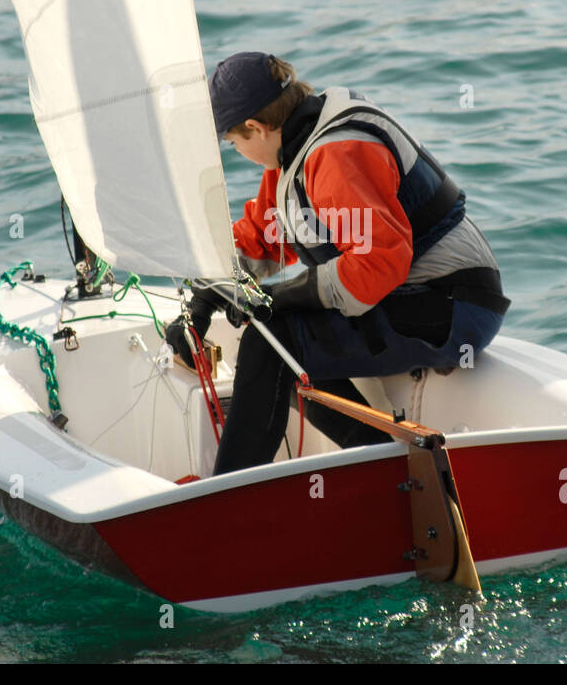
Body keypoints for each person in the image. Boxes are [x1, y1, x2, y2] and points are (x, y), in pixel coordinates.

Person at [166, 51, 509, 476]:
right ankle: (381, 467)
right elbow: (260, 242)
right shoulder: (294, 145)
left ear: (256, 128)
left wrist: (283, 297)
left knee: (273, 342)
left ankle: (225, 501)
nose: (237, 151)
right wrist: (202, 301)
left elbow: (380, 262)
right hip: (413, 297)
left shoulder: (335, 154)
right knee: (278, 341)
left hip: (454, 305)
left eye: (234, 143)